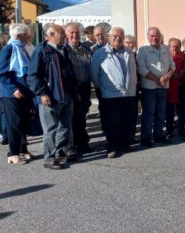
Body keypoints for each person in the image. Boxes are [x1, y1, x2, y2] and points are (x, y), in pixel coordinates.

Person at [28, 24, 76, 170]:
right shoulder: (42, 50)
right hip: (50, 97)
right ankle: (49, 158)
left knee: (65, 127)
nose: (65, 36)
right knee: (51, 129)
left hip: (67, 96)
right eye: (62, 33)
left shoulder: (65, 50)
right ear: (52, 35)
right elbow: (33, 76)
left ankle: (59, 153)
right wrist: (42, 93)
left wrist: (75, 93)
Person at [90, 26, 138, 158]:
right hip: (110, 94)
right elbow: (94, 74)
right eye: (114, 36)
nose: (118, 39)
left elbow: (132, 71)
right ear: (109, 38)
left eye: (120, 37)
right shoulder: (100, 54)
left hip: (128, 93)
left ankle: (124, 144)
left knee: (127, 120)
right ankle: (112, 146)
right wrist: (103, 87)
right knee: (112, 122)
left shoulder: (129, 52)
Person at [0, 23, 34, 165]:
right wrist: (13, 89)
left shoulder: (24, 48)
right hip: (12, 94)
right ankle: (13, 153)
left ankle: (23, 149)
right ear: (19, 36)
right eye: (26, 34)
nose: (29, 36)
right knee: (15, 123)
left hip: (25, 92)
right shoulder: (9, 49)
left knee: (24, 121)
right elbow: (1, 73)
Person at [137, 27, 175, 147]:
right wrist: (157, 79)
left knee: (160, 112)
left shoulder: (165, 49)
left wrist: (166, 77)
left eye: (156, 35)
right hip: (149, 87)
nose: (154, 38)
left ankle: (158, 135)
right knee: (148, 113)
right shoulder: (143, 50)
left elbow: (172, 65)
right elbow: (141, 68)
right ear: (148, 37)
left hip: (163, 86)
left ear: (160, 36)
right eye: (152, 36)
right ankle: (146, 138)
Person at [64, 22, 94, 154]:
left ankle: (82, 143)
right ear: (67, 35)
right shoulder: (64, 50)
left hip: (85, 86)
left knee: (81, 116)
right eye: (72, 33)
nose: (75, 35)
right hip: (71, 88)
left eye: (77, 33)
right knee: (70, 117)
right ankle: (72, 145)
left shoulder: (86, 50)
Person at [166, 38, 185, 137]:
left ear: (180, 46)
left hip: (180, 87)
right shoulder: (166, 56)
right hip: (169, 88)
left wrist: (183, 71)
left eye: (177, 46)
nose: (175, 48)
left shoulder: (184, 56)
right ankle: (169, 131)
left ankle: (181, 130)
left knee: (181, 111)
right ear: (169, 47)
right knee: (169, 112)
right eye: (173, 46)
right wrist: (172, 74)